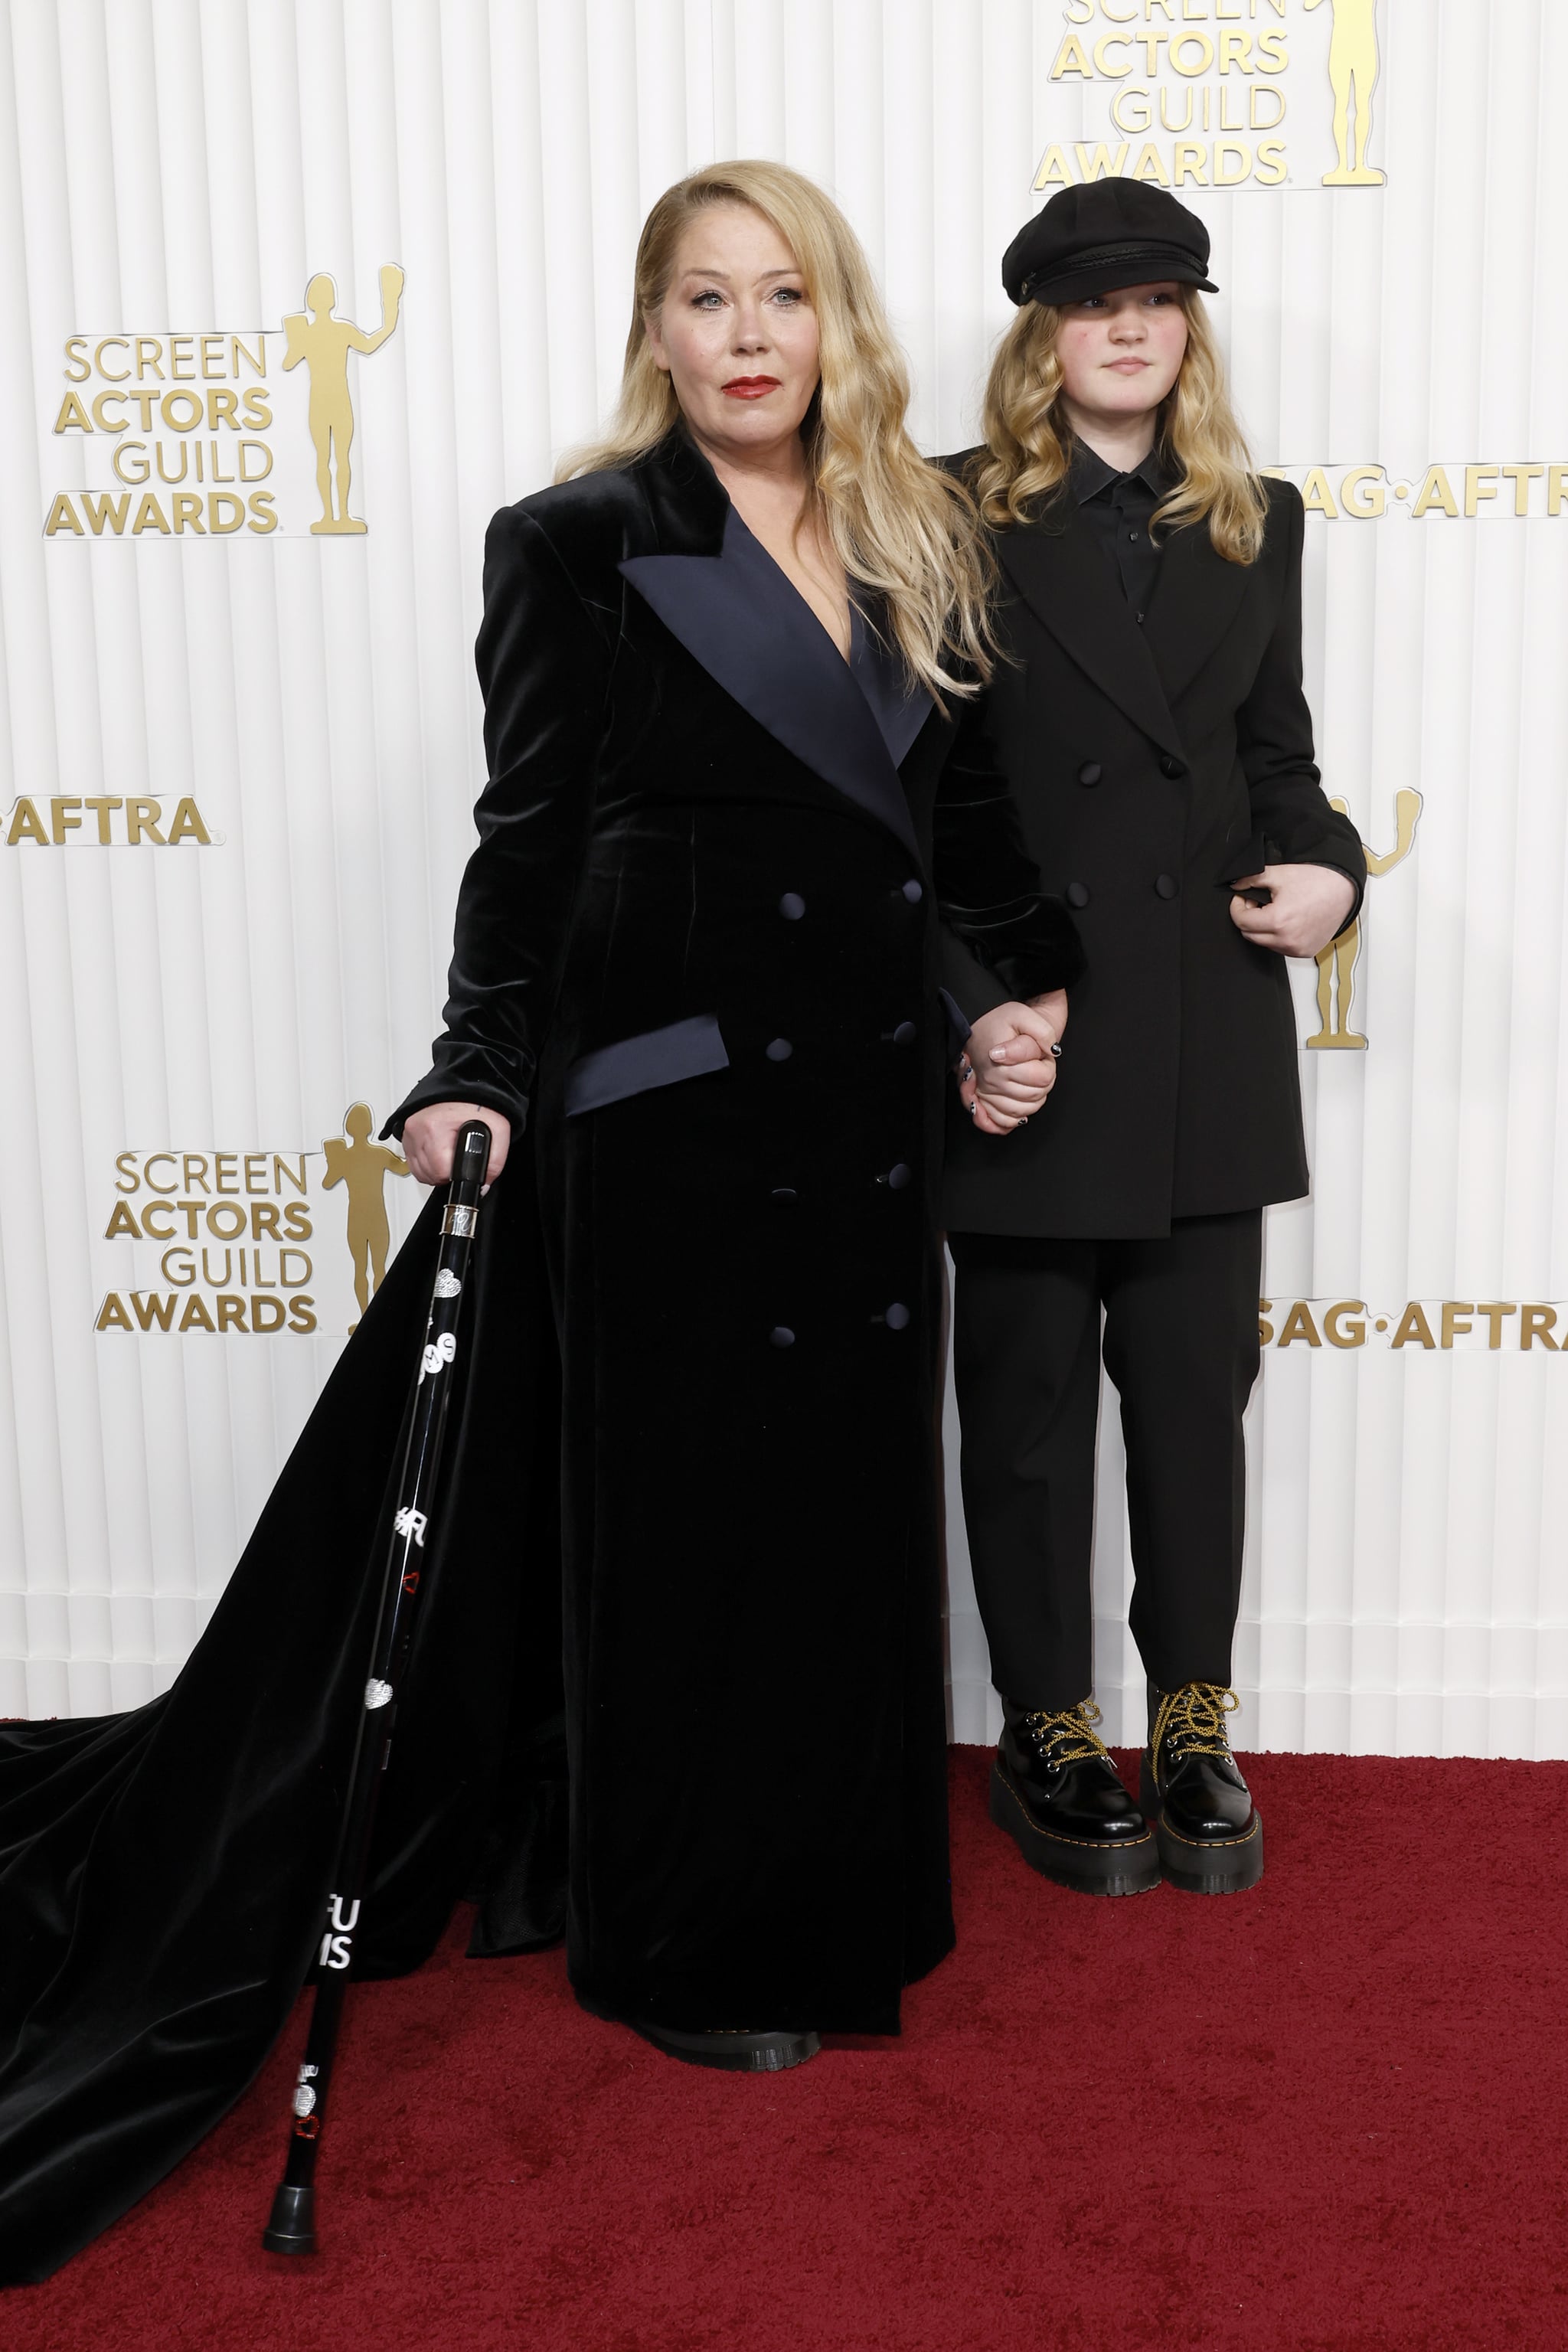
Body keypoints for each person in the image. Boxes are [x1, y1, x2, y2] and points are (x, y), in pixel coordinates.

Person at [0, 161, 1077, 2282]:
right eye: (706, 298)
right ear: (654, 329)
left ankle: (843, 1894)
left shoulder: (922, 530)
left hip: (861, 1116)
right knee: (686, 1529)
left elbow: (964, 835)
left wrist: (1022, 994)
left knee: (845, 1517)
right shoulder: (579, 543)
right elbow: (528, 833)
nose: (750, 334)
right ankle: (675, 1927)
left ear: (838, 323)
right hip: (666, 1106)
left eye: (786, 296)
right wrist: (478, 1062)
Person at [945, 179, 1364, 1899]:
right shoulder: (946, 513)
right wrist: (979, 1002)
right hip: (1036, 1032)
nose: (1126, 328)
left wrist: (1330, 870)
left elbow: (1278, 757)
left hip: (1205, 1022)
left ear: (1189, 324)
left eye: (1156, 299)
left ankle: (1193, 1718)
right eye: (1088, 304)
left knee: (1196, 1401)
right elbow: (935, 795)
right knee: (1028, 1410)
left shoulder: (1252, 515)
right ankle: (1048, 1721)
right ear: (1041, 338)